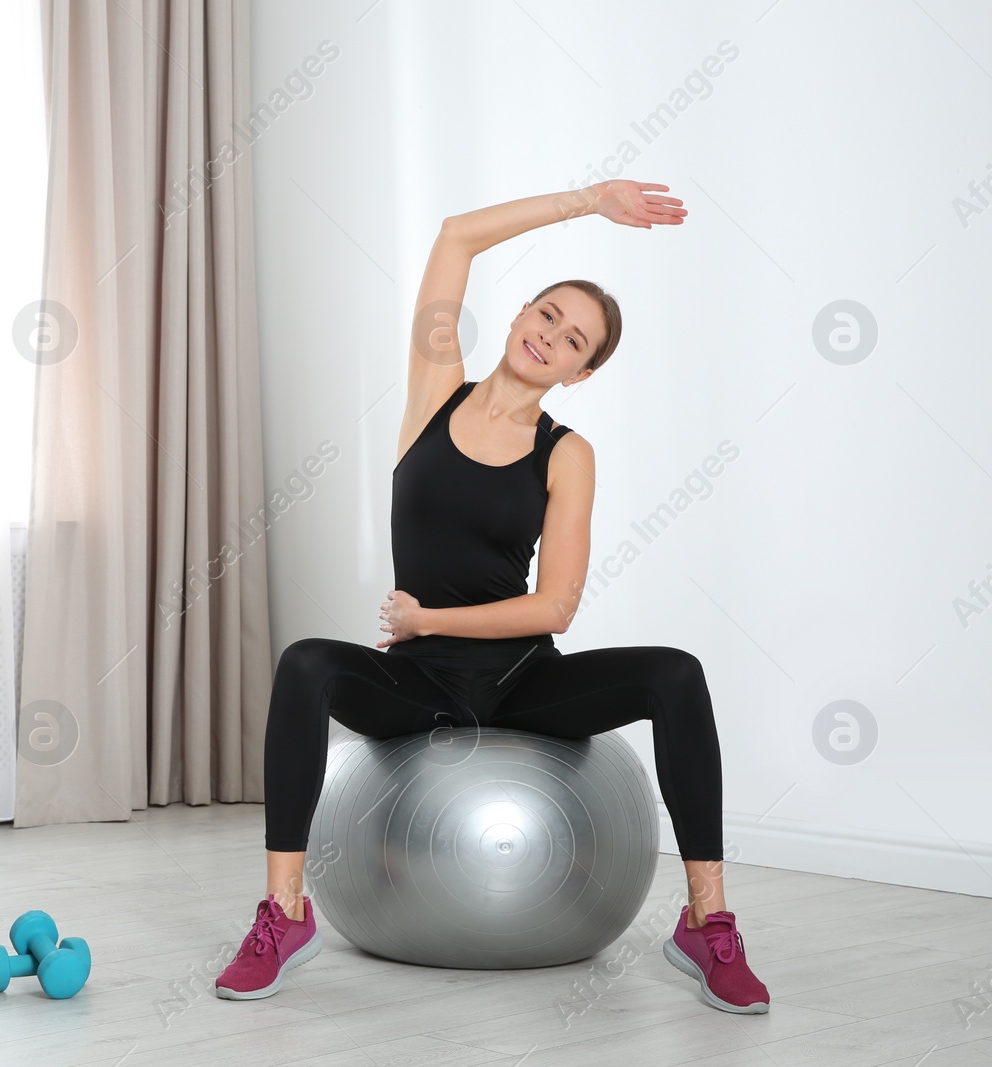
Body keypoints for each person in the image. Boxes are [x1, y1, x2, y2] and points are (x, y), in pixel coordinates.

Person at [214, 180, 769, 1015]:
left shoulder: (567, 453)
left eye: (574, 339)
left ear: (581, 372)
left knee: (677, 674)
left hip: (521, 680)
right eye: (548, 314)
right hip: (421, 685)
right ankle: (285, 912)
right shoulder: (435, 391)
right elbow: (455, 239)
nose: (552, 336)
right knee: (304, 666)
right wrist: (588, 201)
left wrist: (427, 617)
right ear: (518, 316)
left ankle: (708, 920)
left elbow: (554, 609)